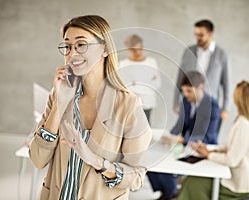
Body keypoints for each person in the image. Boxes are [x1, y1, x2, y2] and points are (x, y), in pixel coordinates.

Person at [29, 15, 152, 200]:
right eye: (67, 47)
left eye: (81, 45)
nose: (72, 53)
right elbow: (38, 160)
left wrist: (97, 162)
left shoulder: (128, 105)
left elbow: (136, 177)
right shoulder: (58, 95)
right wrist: (58, 104)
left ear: (104, 49)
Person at [178, 80, 249, 200]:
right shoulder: (247, 121)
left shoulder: (244, 125)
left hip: (243, 186)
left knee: (193, 183)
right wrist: (210, 150)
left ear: (237, 99)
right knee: (194, 179)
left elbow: (231, 160)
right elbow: (231, 148)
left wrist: (208, 155)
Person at [147, 71, 220, 200]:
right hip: (185, 146)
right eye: (184, 91)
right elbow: (179, 125)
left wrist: (181, 140)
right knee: (151, 160)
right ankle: (169, 193)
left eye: (189, 91)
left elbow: (207, 137)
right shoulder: (186, 102)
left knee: (166, 164)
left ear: (200, 87)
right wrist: (167, 136)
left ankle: (170, 193)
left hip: (202, 149)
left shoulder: (212, 106)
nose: (185, 95)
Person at [173, 19, 231, 129]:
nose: (197, 38)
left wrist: (225, 108)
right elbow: (180, 79)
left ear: (210, 34)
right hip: (189, 104)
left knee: (206, 140)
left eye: (201, 35)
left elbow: (227, 84)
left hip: (210, 106)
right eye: (196, 34)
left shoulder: (222, 54)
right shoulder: (188, 51)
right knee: (185, 138)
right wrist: (176, 102)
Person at [119, 34, 161, 124]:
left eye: (140, 48)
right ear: (128, 49)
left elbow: (156, 84)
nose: (138, 52)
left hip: (148, 103)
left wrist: (135, 84)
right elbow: (125, 86)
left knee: (146, 128)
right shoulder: (123, 64)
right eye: (134, 50)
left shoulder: (151, 62)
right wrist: (146, 83)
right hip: (130, 105)